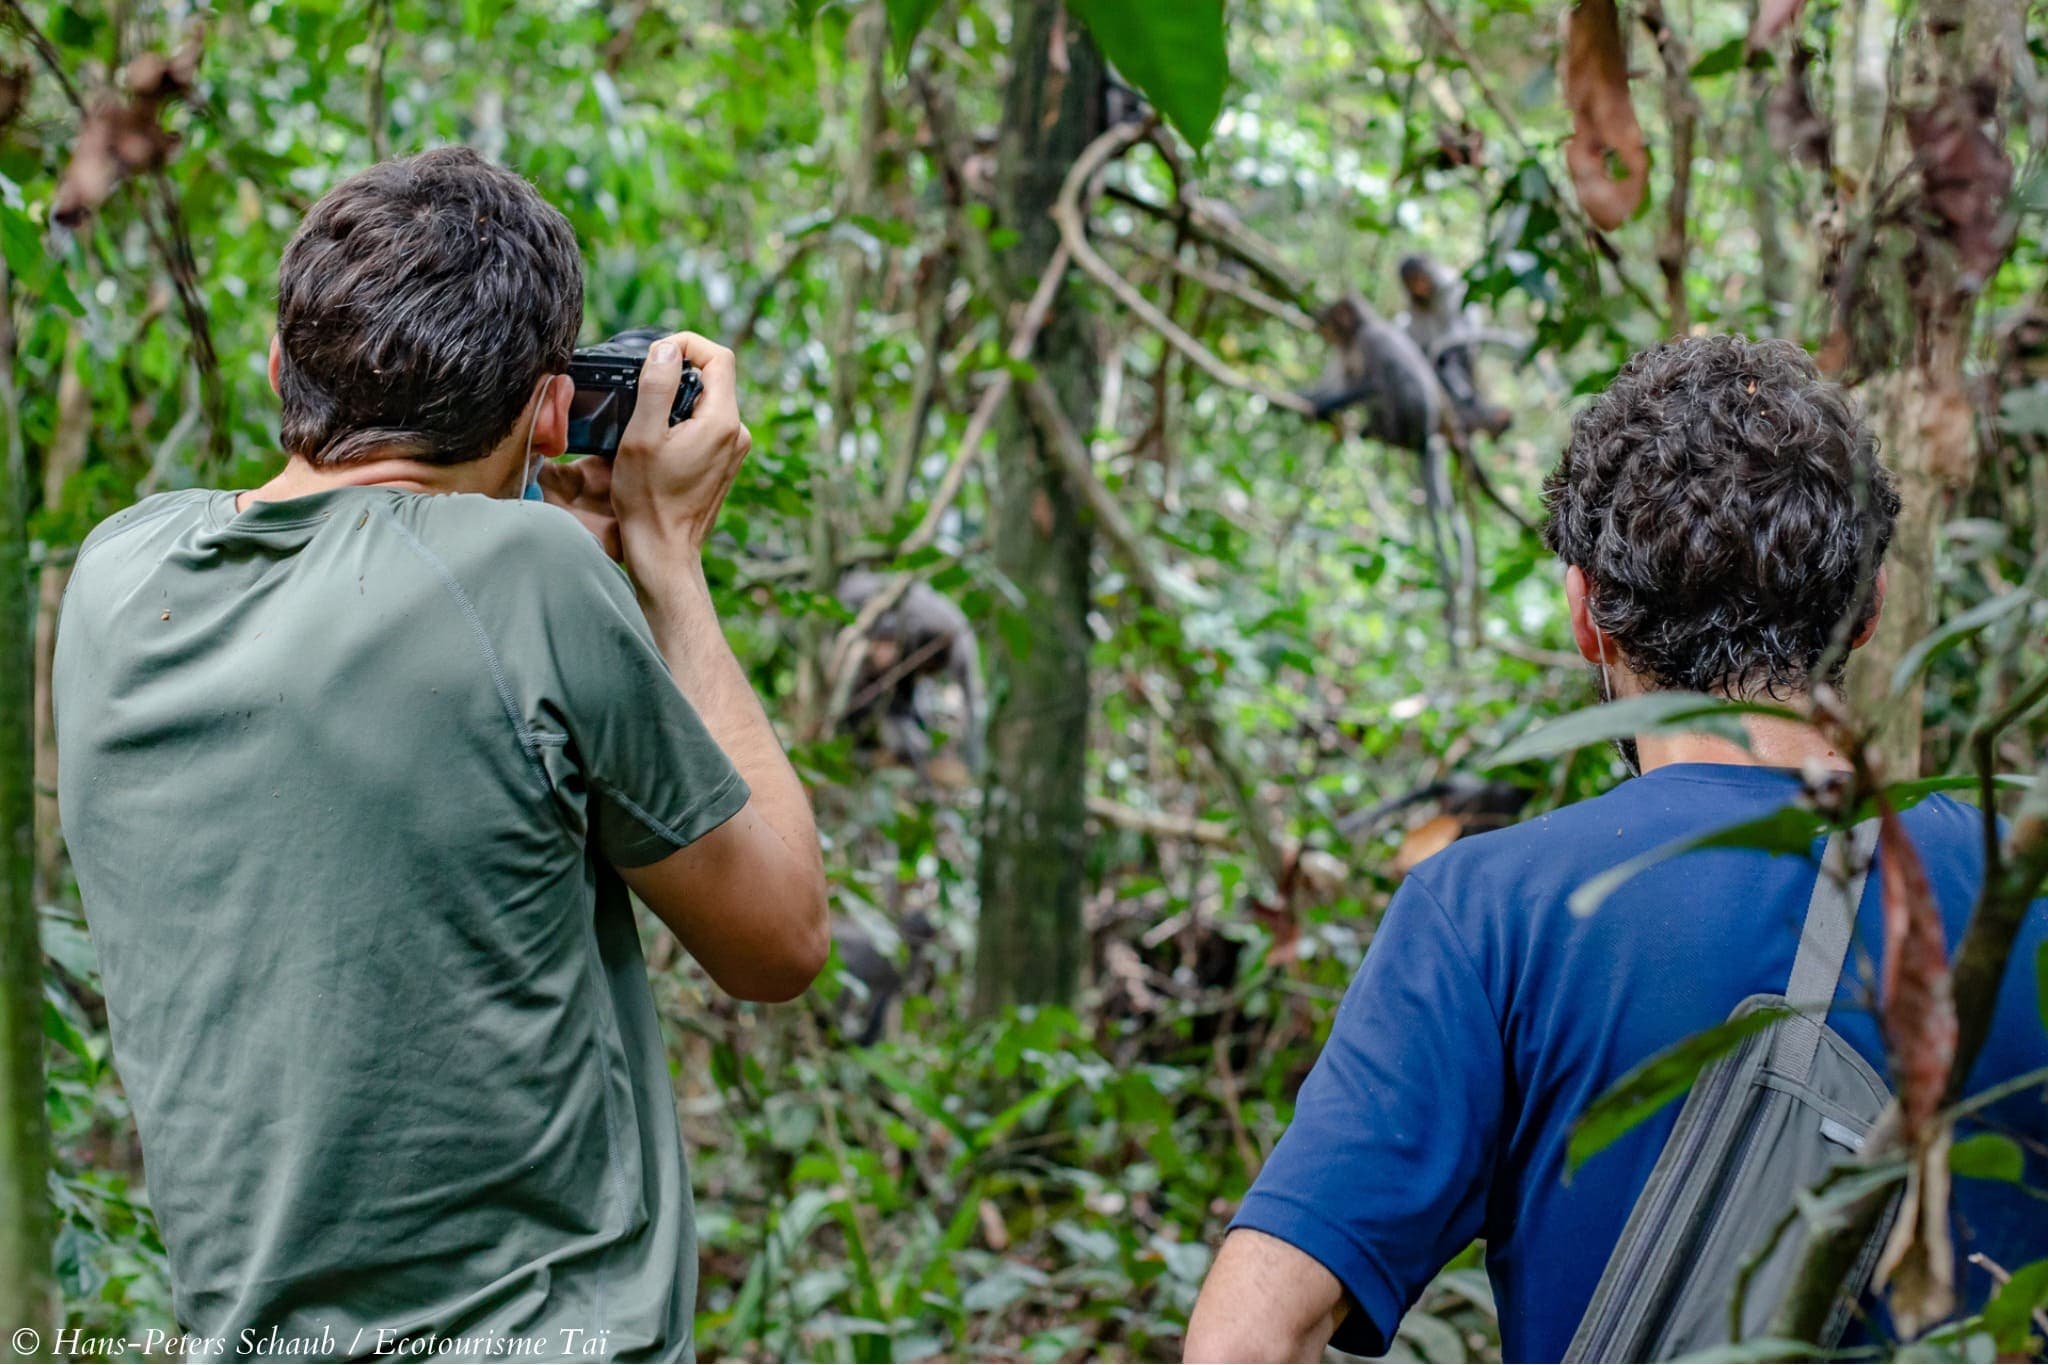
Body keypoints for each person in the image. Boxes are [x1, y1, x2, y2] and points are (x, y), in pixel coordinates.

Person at [54, 147, 829, 1360]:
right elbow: (779, 943)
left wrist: (529, 528)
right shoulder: (531, 581)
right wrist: (666, 564)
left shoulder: (117, 573)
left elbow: (365, 598)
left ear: (281, 370)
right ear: (551, 413)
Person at [1184, 335, 2048, 1362]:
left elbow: (1245, 1339)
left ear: (1584, 613)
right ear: (1867, 611)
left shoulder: (1488, 913)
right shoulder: (2021, 884)